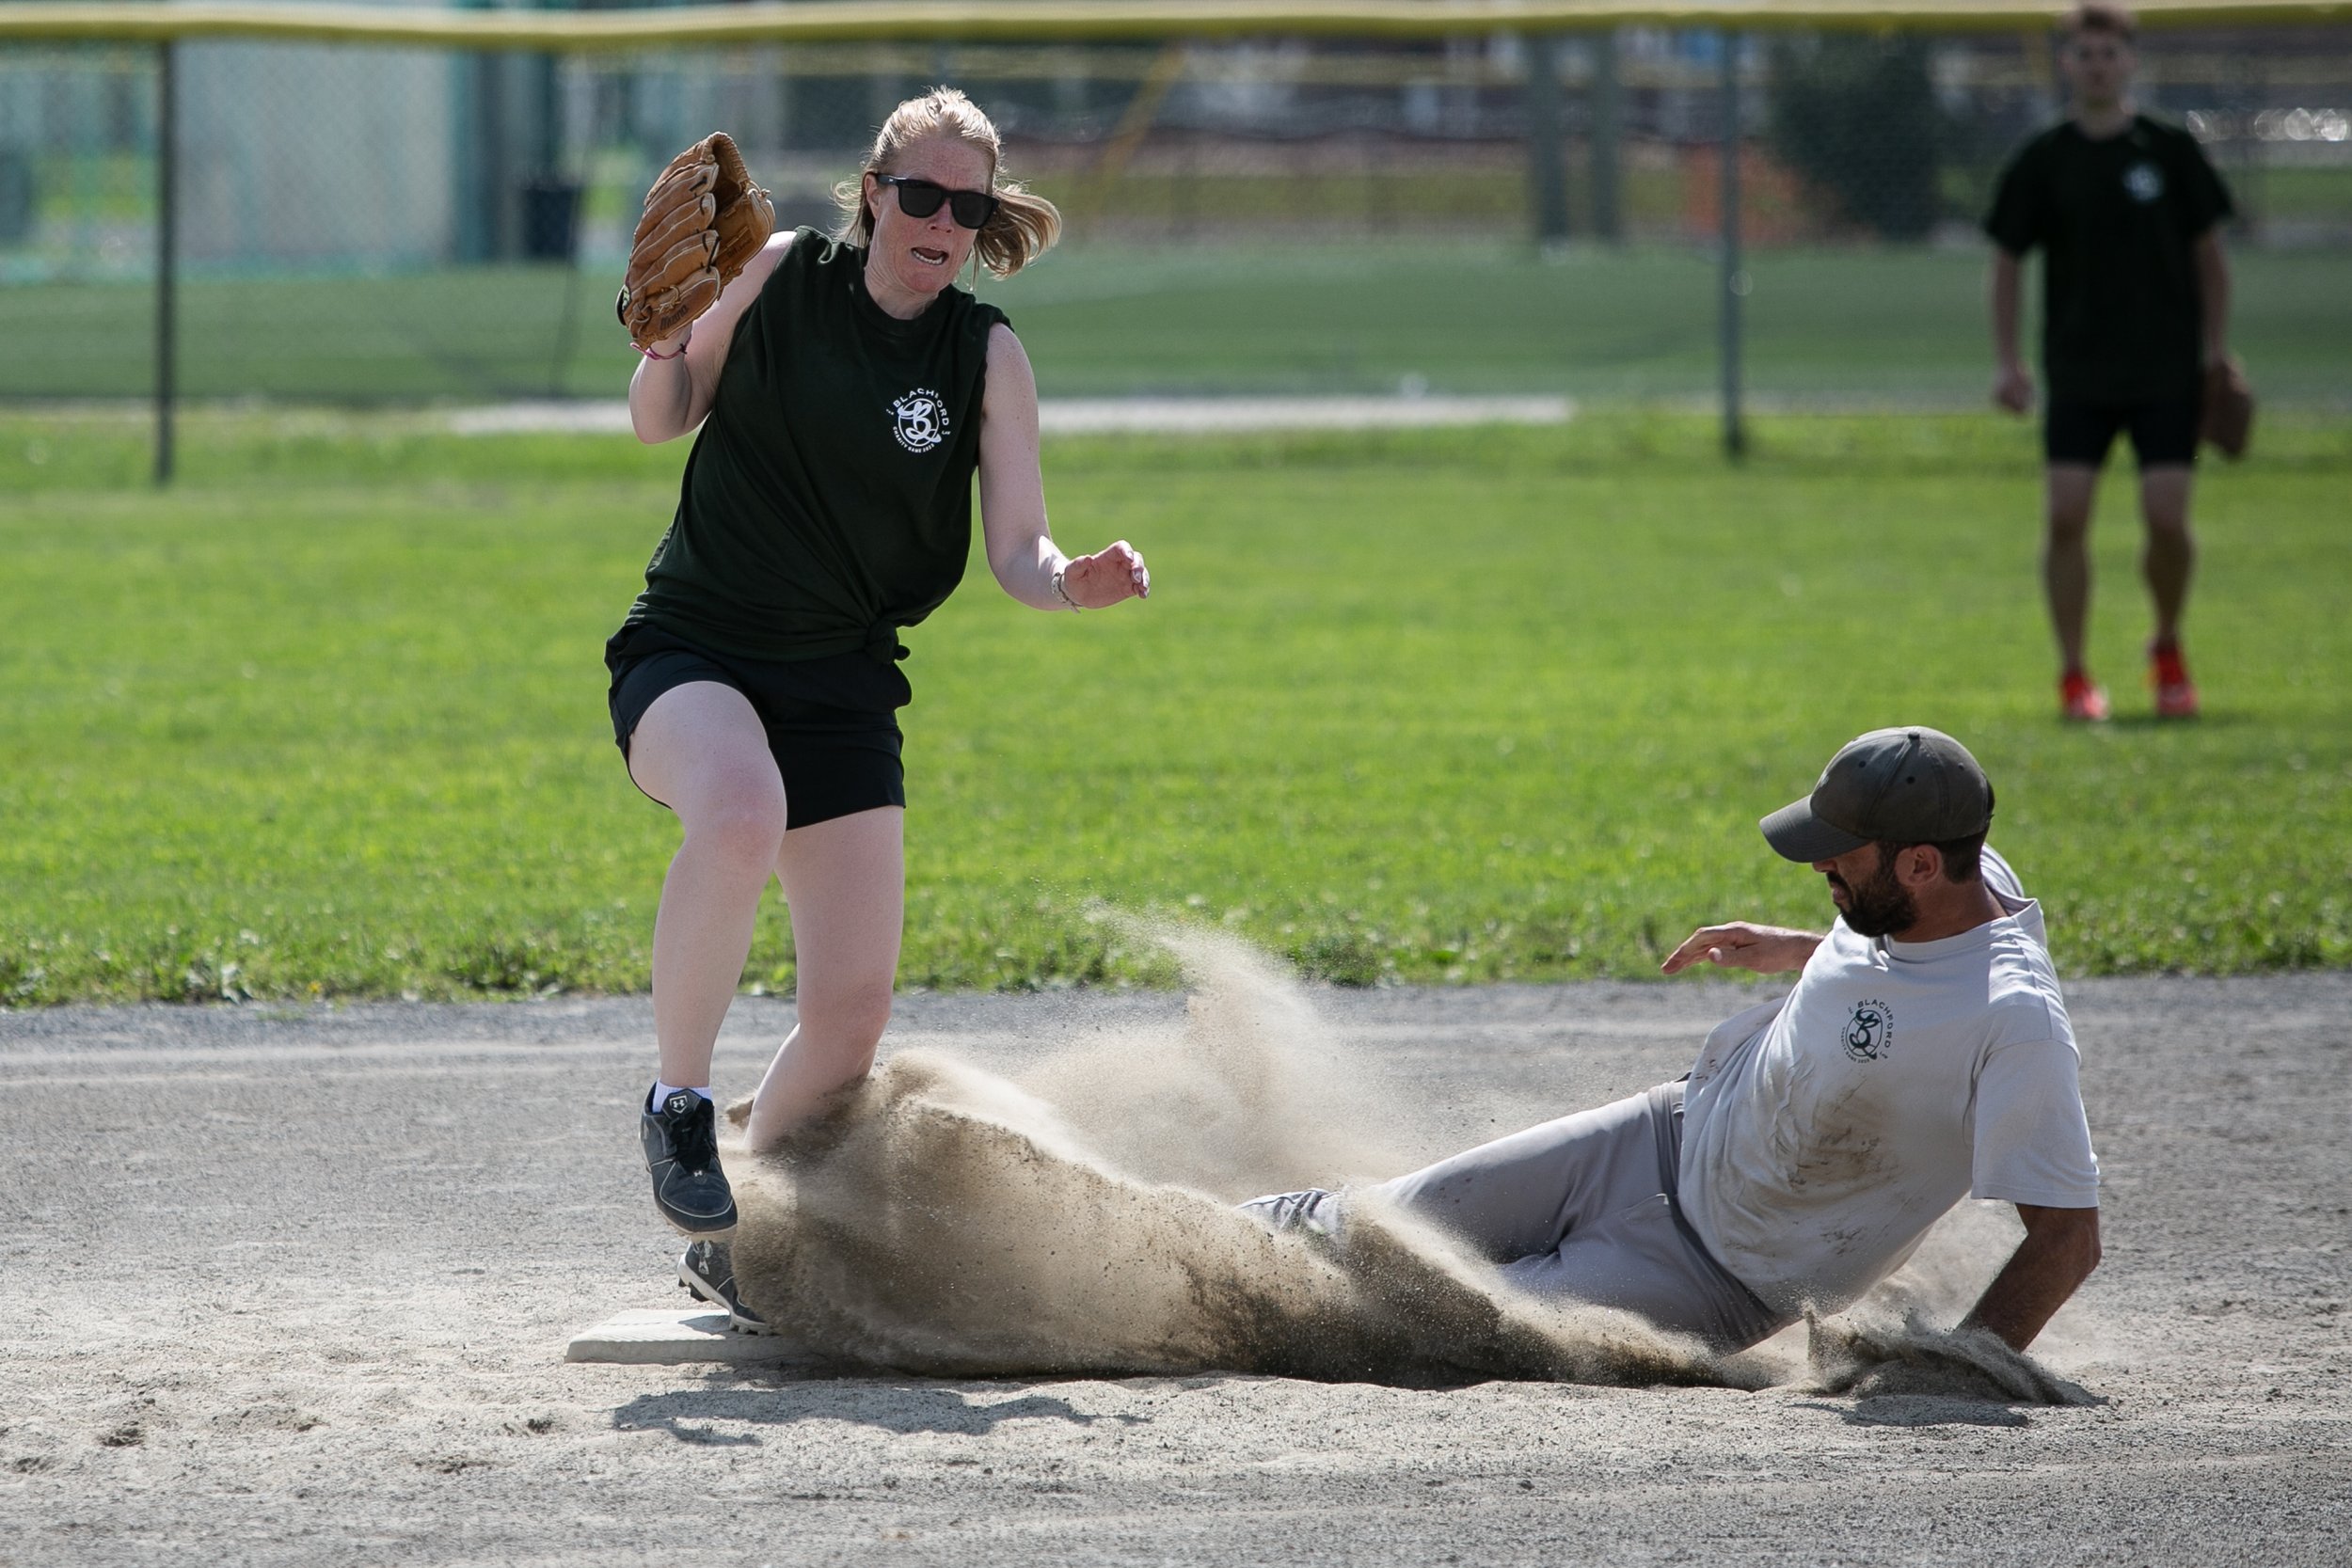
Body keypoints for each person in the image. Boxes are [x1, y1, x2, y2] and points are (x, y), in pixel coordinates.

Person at [611, 88, 1150, 1329]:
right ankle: (680, 1104)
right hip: (697, 647)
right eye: (921, 194)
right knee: (741, 812)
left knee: (849, 1014)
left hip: (845, 677)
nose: (942, 223)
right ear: (873, 193)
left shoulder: (984, 355)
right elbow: (661, 422)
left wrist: (1073, 582)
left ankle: (733, 1227)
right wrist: (661, 345)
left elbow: (1018, 548)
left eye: (967, 205)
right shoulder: (788, 275)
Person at [1245, 728, 2102, 1357]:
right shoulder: (1970, 875)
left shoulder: (2015, 1023)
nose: (1819, 867)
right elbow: (1910, 965)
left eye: (1843, 855)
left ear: (1919, 864)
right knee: (1367, 1225)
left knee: (1427, 1326)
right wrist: (1801, 946)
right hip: (1655, 1134)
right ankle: (1142, 1248)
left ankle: (1169, 1328)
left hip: (1717, 1277)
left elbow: (2067, 1237)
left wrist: (1963, 1367)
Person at [1985, 2, 2234, 722]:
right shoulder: (2046, 157)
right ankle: (2072, 672)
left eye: (2110, 52)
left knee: (2165, 518)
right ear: (2067, 62)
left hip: (2164, 369)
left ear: (2130, 61)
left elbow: (2210, 258)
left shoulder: (2168, 150)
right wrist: (2009, 361)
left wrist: (2217, 351)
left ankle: (2168, 645)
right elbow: (2006, 259)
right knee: (2066, 517)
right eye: (2084, 52)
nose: (2097, 64)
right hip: (2080, 370)